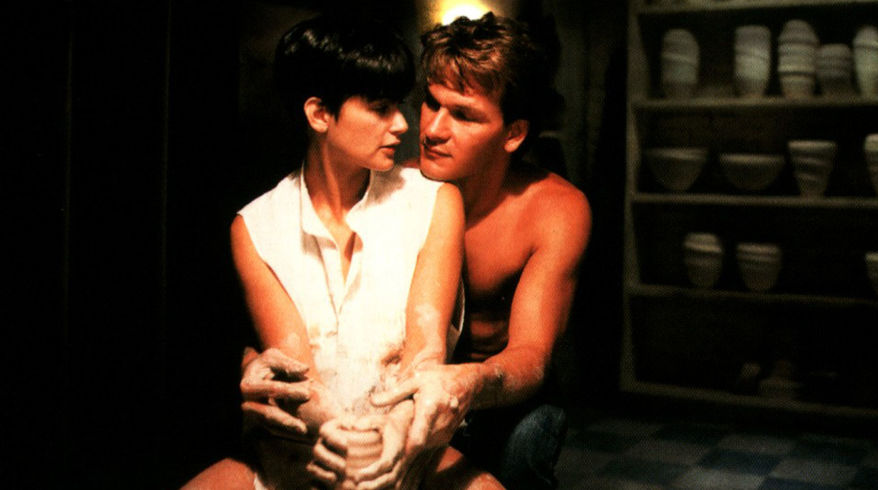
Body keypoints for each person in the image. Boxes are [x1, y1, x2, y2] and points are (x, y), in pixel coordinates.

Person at [244, 12, 590, 489]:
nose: (430, 129)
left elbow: (532, 353)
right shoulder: (399, 184)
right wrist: (251, 357)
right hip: (407, 385)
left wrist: (467, 383)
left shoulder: (555, 209)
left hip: (498, 391)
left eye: (463, 115)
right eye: (430, 102)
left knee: (526, 447)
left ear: (513, 134)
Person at [183, 13, 488, 489]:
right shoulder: (256, 227)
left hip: (410, 443)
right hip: (305, 453)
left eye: (399, 106)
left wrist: (393, 432)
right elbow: (298, 377)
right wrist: (342, 437)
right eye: (380, 108)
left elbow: (424, 354)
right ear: (319, 114)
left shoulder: (434, 202)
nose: (402, 124)